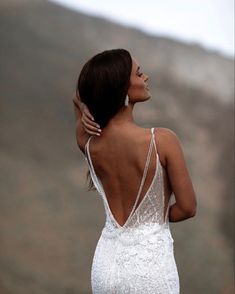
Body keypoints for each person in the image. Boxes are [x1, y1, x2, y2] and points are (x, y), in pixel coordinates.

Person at [73, 49, 197, 293]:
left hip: (105, 266)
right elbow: (187, 208)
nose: (146, 77)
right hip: (149, 268)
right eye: (139, 74)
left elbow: (78, 96)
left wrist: (82, 109)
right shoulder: (162, 140)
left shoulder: (88, 143)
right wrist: (150, 220)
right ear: (121, 87)